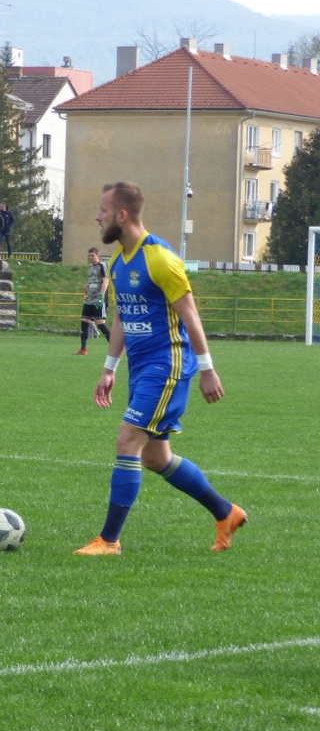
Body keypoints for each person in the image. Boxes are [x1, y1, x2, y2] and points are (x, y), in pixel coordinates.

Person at [74, 182, 246, 556]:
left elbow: (190, 314)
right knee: (156, 457)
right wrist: (109, 367)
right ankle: (225, 512)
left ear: (122, 215)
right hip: (141, 369)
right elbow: (122, 316)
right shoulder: (120, 262)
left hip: (167, 366)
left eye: (102, 210)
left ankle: (109, 541)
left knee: (127, 441)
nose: (97, 216)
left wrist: (207, 369)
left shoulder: (161, 259)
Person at [76, 247, 112, 355]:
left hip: (98, 299)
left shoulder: (103, 265)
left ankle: (114, 347)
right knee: (84, 322)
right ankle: (83, 349)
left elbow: (106, 281)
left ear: (98, 255)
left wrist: (101, 296)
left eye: (92, 255)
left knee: (101, 324)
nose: (90, 257)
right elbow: (92, 282)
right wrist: (87, 289)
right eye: (89, 255)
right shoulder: (90, 268)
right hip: (90, 299)